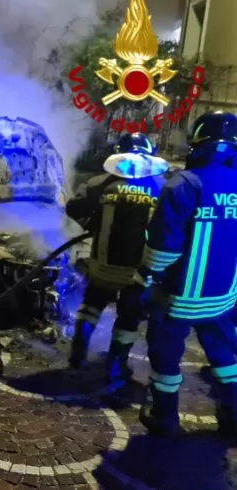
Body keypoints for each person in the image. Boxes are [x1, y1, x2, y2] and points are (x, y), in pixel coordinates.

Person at [133, 111, 237, 437]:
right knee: (225, 356)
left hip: (179, 298)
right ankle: (234, 414)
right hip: (223, 297)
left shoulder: (183, 184)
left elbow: (164, 248)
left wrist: (145, 278)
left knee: (165, 355)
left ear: (198, 143)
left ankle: (164, 416)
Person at [66, 132, 170, 383]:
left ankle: (77, 356)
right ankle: (115, 366)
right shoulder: (162, 186)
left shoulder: (98, 183)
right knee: (129, 317)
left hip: (102, 267)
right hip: (138, 272)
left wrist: (92, 224)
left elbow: (73, 208)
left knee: (91, 306)